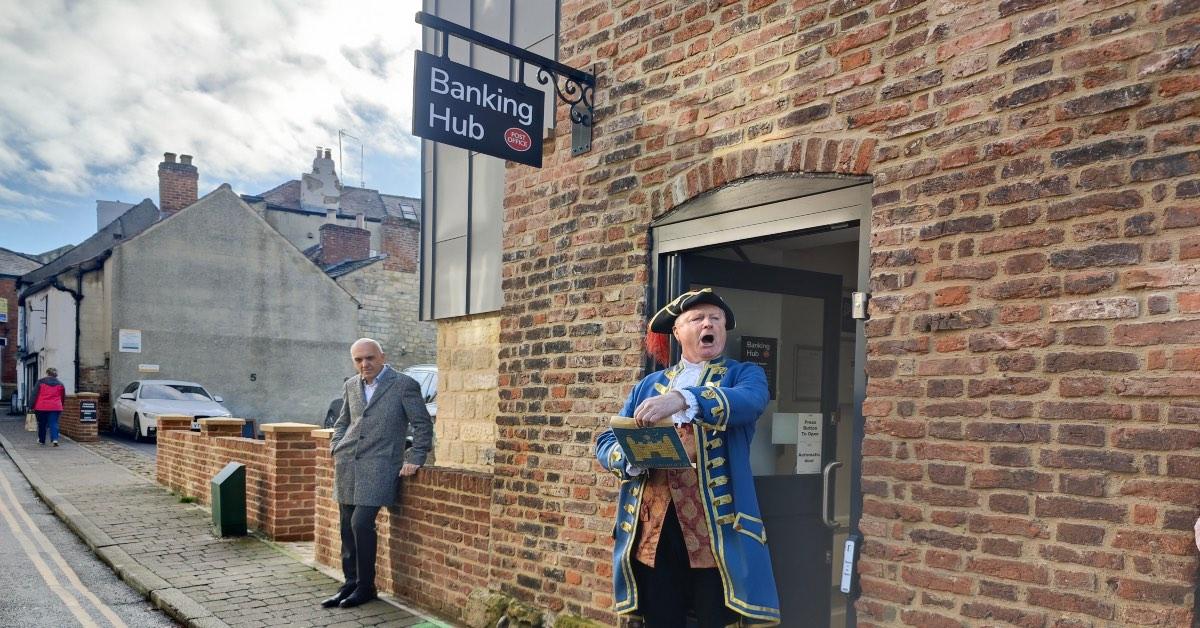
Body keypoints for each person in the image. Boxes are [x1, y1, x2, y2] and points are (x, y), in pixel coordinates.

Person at [596, 288, 780, 627]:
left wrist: (682, 399)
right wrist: (632, 458)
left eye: (716, 319)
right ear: (677, 332)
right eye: (697, 319)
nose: (708, 324)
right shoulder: (648, 385)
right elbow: (606, 441)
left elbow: (750, 401)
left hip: (715, 535)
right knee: (661, 618)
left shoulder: (744, 374)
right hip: (656, 529)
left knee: (716, 618)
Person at [322, 338, 433, 609]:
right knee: (347, 527)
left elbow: (422, 425)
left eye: (369, 358)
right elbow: (343, 421)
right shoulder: (351, 385)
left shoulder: (404, 385)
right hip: (348, 464)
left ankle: (366, 586)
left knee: (361, 523)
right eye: (358, 360)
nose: (365, 364)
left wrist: (415, 458)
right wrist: (335, 447)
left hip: (381, 466)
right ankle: (349, 583)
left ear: (382, 356)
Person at [32, 367, 66, 447]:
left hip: (41, 406)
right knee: (54, 422)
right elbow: (62, 396)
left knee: (42, 424)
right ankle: (55, 439)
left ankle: (41, 440)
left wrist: (31, 405)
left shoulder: (40, 382)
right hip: (55, 406)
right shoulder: (60, 384)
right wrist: (61, 405)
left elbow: (34, 394)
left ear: (47, 373)